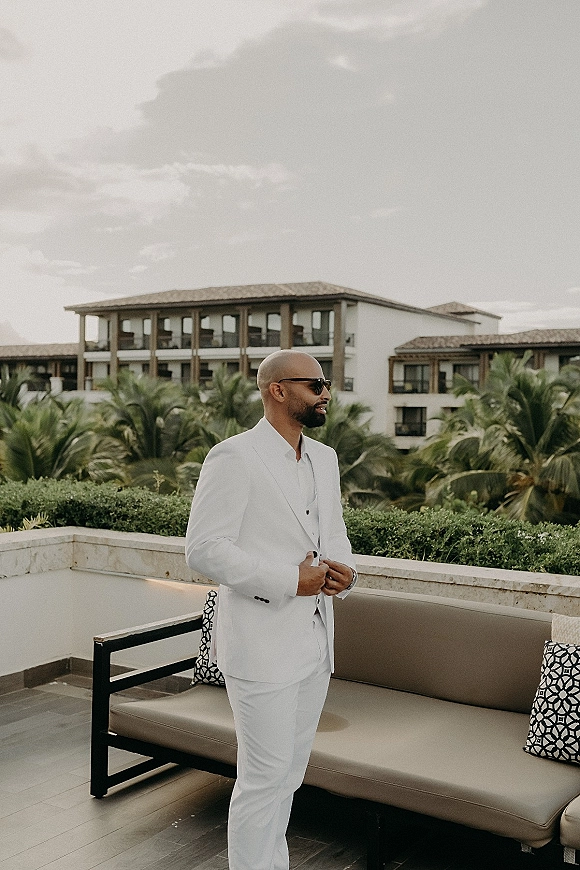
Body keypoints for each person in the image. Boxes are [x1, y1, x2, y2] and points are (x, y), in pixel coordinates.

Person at [185, 349, 357, 870]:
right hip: (260, 645)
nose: (326, 392)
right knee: (263, 779)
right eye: (315, 384)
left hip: (315, 644)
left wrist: (342, 576)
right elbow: (204, 549)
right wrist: (290, 580)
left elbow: (334, 536)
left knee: (289, 775)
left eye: (327, 383)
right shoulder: (234, 457)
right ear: (277, 390)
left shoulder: (324, 459)